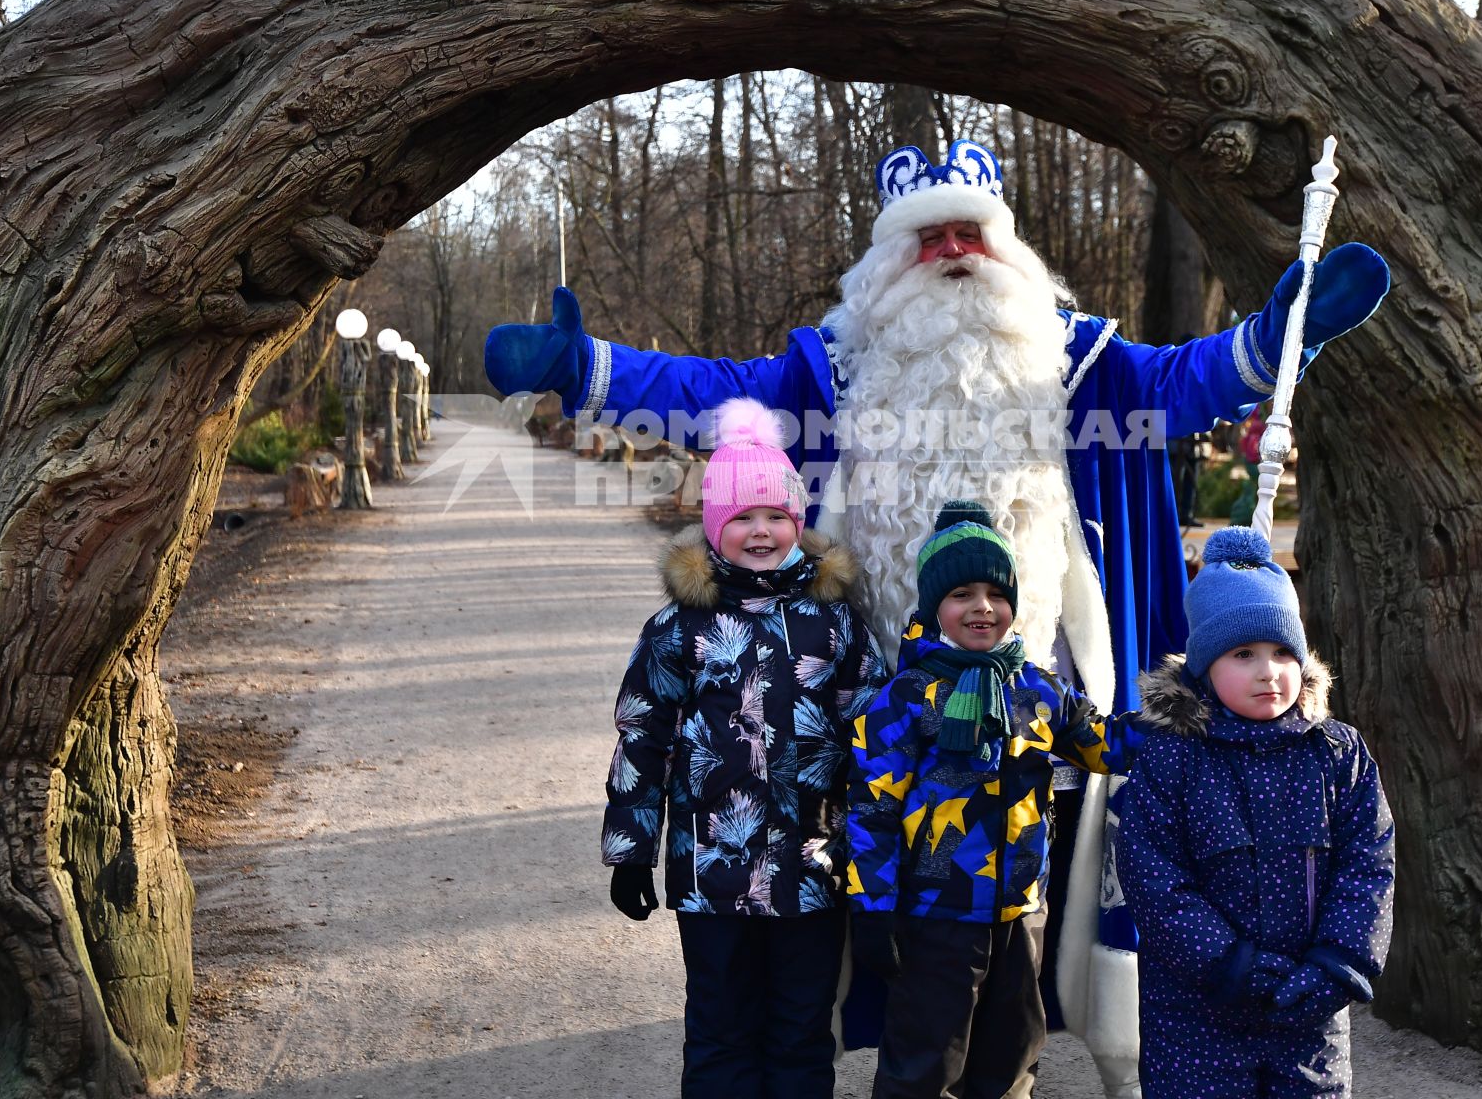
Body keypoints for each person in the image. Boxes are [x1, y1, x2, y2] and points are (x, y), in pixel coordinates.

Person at [492, 136, 1390, 1055]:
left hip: (1043, 704)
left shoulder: (1076, 362)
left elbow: (1186, 382)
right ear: (888, 261)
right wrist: (584, 369)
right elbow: (713, 395)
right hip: (891, 709)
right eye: (928, 238)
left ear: (1007, 252)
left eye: (971, 233)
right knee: (903, 932)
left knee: (1030, 929)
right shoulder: (835, 369)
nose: (953, 252)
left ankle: (1014, 1065)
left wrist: (1285, 334)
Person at [600, 399, 887, 1099]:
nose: (760, 531)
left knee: (799, 1033)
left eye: (775, 517)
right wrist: (631, 851)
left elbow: (875, 736)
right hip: (712, 876)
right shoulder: (679, 627)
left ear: (797, 523)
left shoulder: (836, 623)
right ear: (714, 526)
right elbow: (644, 738)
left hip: (812, 872)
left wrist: (875, 849)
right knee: (721, 1033)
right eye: (742, 518)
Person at [845, 501, 1133, 1098]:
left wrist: (1182, 713)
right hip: (935, 912)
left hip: (1021, 910)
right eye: (962, 594)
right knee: (927, 1057)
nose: (982, 607)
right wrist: (871, 907)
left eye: (995, 594)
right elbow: (871, 808)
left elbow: (1106, 745)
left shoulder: (1037, 688)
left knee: (1013, 1054)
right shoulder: (905, 698)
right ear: (933, 607)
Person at [1118, 527, 1395, 1098]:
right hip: (1197, 1016)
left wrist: (1337, 964)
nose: (1268, 670)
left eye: (1282, 652)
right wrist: (1226, 963)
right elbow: (1154, 874)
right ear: (1202, 668)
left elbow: (1369, 865)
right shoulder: (1174, 759)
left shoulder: (1338, 753)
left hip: (1308, 1010)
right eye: (1243, 654)